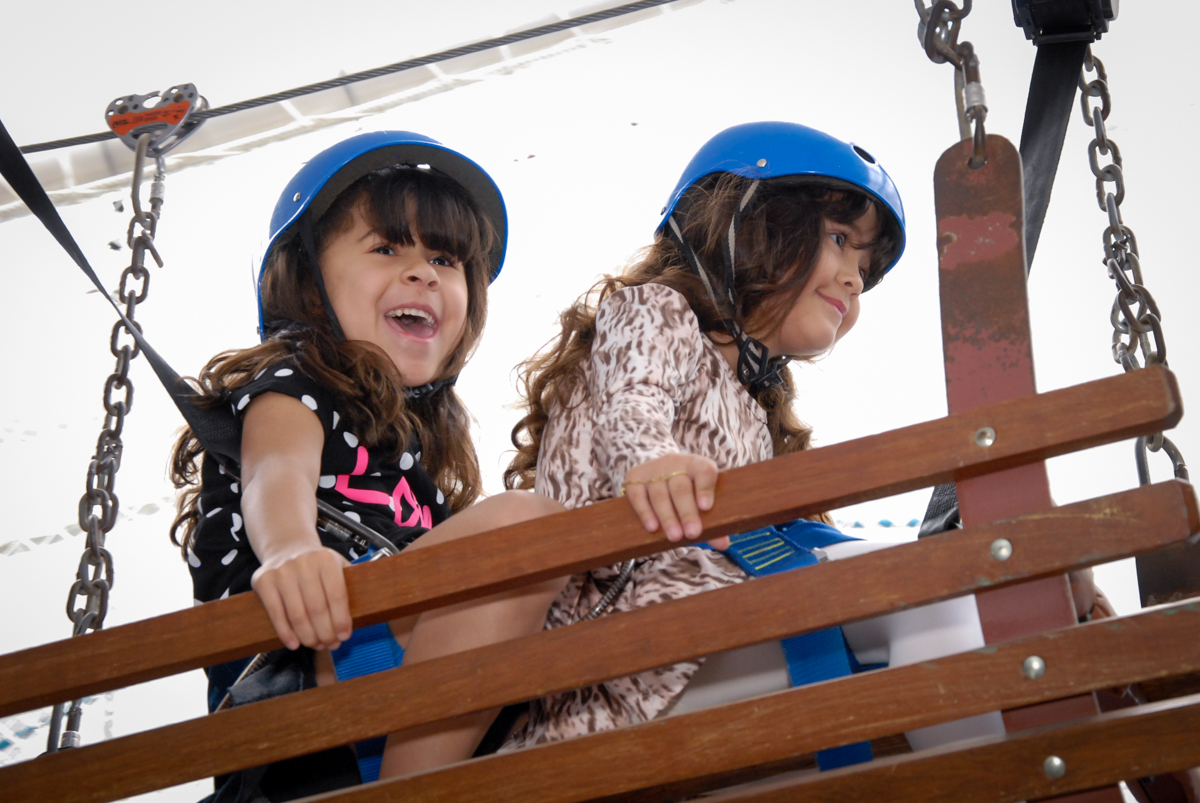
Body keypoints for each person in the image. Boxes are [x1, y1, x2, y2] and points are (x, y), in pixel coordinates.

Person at [168, 130, 564, 800]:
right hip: (300, 682)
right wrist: (290, 548)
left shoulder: (415, 457)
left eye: (446, 257)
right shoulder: (293, 385)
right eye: (387, 247)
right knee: (527, 524)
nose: (424, 273)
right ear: (310, 281)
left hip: (399, 693)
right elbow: (275, 472)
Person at [501, 121, 905, 749]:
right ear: (744, 222)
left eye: (865, 264)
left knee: (931, 618)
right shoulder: (657, 312)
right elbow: (632, 401)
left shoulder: (753, 414)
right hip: (631, 655)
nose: (855, 278)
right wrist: (652, 459)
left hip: (703, 634)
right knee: (928, 604)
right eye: (839, 239)